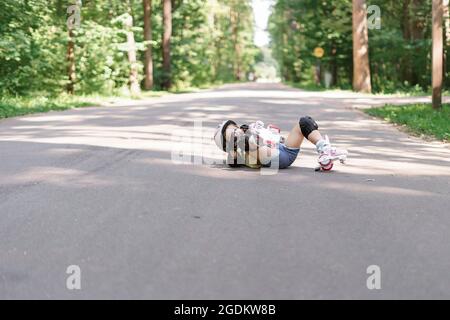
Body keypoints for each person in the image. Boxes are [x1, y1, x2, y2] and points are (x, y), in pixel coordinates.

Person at [213, 116, 348, 171]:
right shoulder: (237, 152)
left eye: (235, 129)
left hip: (286, 150)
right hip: (275, 158)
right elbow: (232, 160)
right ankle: (259, 139)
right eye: (232, 134)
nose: (237, 131)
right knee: (249, 141)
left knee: (304, 122)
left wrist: (261, 131)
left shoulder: (247, 131)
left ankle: (325, 149)